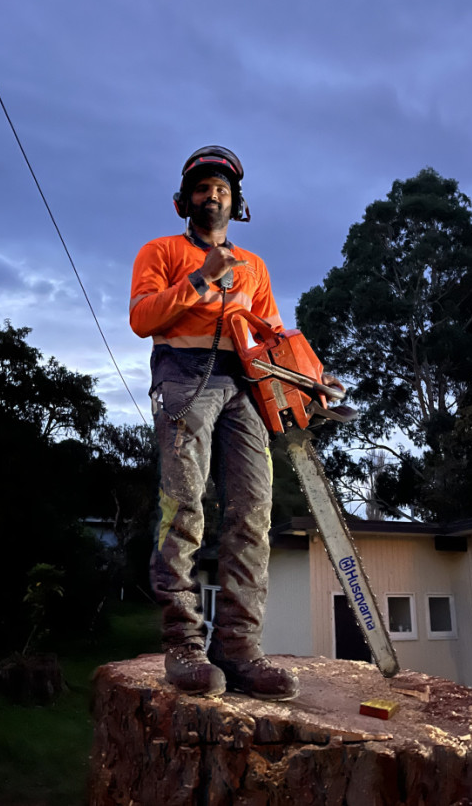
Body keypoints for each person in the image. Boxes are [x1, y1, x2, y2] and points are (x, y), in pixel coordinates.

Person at [130, 146, 340, 701]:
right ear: (184, 200)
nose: (213, 195)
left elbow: (273, 336)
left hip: (244, 384)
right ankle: (182, 644)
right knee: (184, 507)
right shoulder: (161, 251)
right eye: (203, 188)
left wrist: (312, 379)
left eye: (222, 189)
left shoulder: (255, 266)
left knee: (252, 512)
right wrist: (202, 280)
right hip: (183, 377)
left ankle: (239, 648)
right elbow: (142, 317)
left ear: (237, 203)